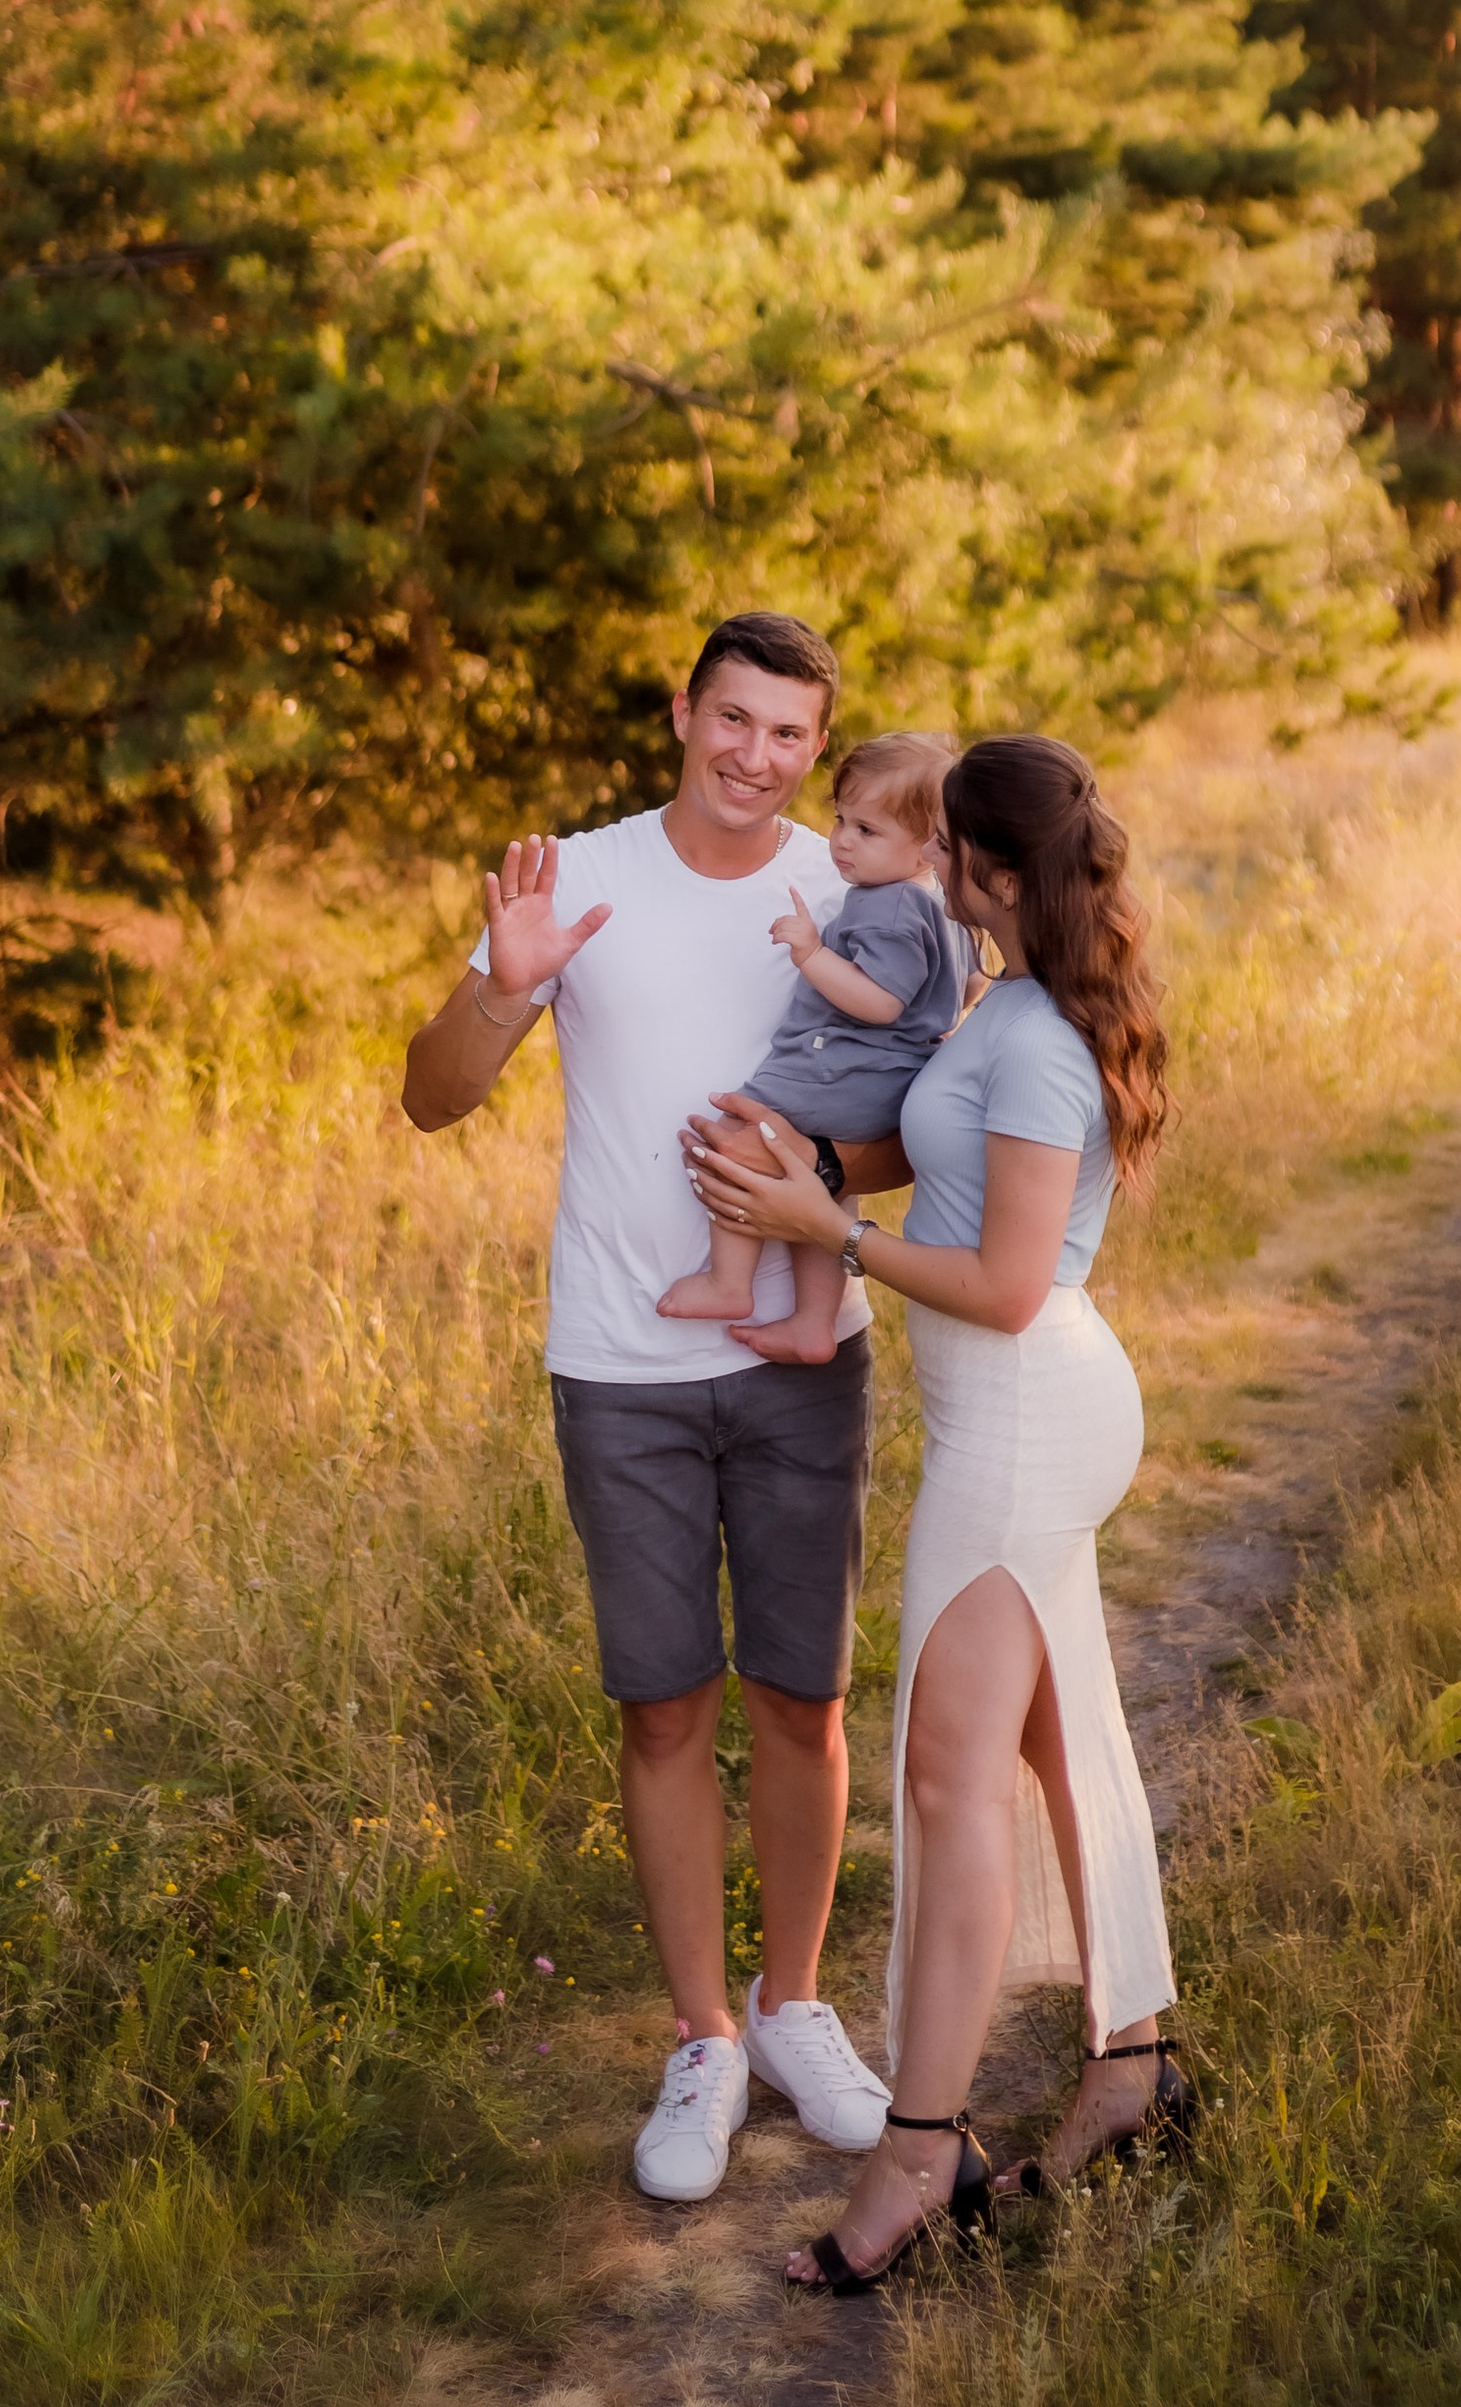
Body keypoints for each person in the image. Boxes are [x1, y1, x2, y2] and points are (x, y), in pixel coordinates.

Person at [684, 731, 1193, 2298]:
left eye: (935, 851)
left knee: (948, 1772)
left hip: (1026, 1418)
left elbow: (1010, 1279)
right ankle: (1136, 2067)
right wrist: (815, 1158)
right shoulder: (1013, 1002)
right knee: (1052, 1739)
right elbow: (942, 1149)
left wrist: (827, 1225)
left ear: (980, 871)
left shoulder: (1033, 1035)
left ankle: (922, 2146)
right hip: (1011, 1410)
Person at [399, 610, 896, 2207]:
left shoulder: (850, 885)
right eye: (731, 721)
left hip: (803, 1354)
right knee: (665, 1705)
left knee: (801, 1697)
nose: (754, 758)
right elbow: (432, 1093)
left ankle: (794, 1999)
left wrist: (815, 1174)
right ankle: (704, 2038)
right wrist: (503, 983)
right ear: (682, 710)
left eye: (788, 736)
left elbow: (908, 1128)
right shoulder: (581, 879)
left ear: (817, 748)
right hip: (622, 1360)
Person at [658, 731, 969, 1362]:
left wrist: (811, 951)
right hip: (883, 1086)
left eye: (867, 830)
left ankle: (729, 1282)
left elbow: (881, 1001)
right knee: (821, 1186)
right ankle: (813, 1322)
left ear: (927, 846)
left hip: (845, 1073)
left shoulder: (889, 906)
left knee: (745, 1135)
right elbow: (961, 991)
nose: (842, 841)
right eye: (841, 821)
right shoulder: (943, 908)